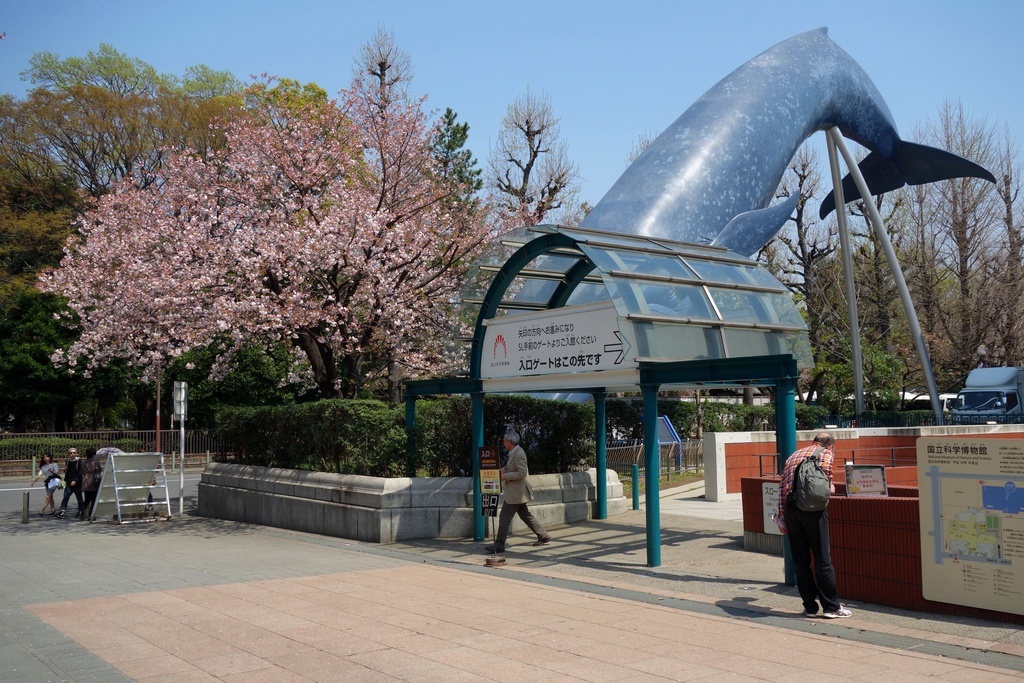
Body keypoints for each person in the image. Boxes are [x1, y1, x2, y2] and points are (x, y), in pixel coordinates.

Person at [776, 432, 852, 619]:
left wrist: (782, 518)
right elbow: (825, 483)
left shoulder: (793, 456)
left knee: (801, 562)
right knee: (822, 559)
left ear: (815, 442)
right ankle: (831, 608)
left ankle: (810, 607)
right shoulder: (825, 454)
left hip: (793, 511)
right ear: (831, 446)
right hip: (814, 512)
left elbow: (782, 489)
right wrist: (830, 489)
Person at [485, 430, 551, 553]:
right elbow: (513, 467)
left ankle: (499, 544)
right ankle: (543, 535)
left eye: (504, 441)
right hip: (518, 493)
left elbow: (522, 472)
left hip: (516, 493)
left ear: (509, 442)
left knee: (504, 518)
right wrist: (504, 470)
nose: (504, 443)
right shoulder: (515, 452)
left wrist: (505, 476)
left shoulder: (519, 453)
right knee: (525, 515)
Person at [56, 448, 84, 519]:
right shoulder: (68, 461)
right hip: (69, 483)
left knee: (79, 498)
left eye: (74, 453)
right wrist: (64, 481)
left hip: (77, 484)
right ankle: (62, 511)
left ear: (76, 453)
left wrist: (75, 480)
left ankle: (81, 511)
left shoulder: (79, 462)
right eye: (71, 453)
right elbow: (67, 473)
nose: (72, 454)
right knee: (66, 497)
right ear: (68, 454)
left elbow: (80, 473)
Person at [81, 447, 103, 520]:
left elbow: (82, 472)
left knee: (87, 499)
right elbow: (99, 470)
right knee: (94, 499)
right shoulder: (95, 462)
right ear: (94, 454)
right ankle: (91, 515)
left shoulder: (83, 463)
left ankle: (82, 510)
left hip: (86, 481)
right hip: (93, 481)